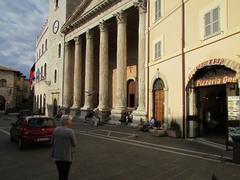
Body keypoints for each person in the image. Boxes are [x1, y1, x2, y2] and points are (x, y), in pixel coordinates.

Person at [51, 115, 77, 180]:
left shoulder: (55, 129)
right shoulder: (70, 131)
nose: (71, 122)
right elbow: (74, 144)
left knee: (60, 173)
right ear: (67, 121)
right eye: (70, 120)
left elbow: (52, 142)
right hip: (66, 157)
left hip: (57, 156)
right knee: (65, 174)